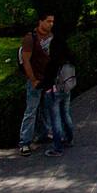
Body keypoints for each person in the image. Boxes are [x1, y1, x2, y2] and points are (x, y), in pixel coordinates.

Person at [19, 10, 55, 155]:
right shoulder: (30, 39)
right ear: (40, 22)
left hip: (48, 79)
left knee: (45, 108)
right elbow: (26, 61)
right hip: (36, 80)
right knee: (31, 111)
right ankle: (25, 142)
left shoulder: (51, 36)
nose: (51, 24)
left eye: (52, 22)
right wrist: (33, 79)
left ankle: (43, 133)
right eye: (48, 21)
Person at [41, 36, 76, 156]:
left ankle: (57, 147)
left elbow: (47, 78)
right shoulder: (69, 59)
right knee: (66, 114)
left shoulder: (53, 62)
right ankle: (70, 138)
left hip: (54, 91)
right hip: (66, 89)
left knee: (55, 119)